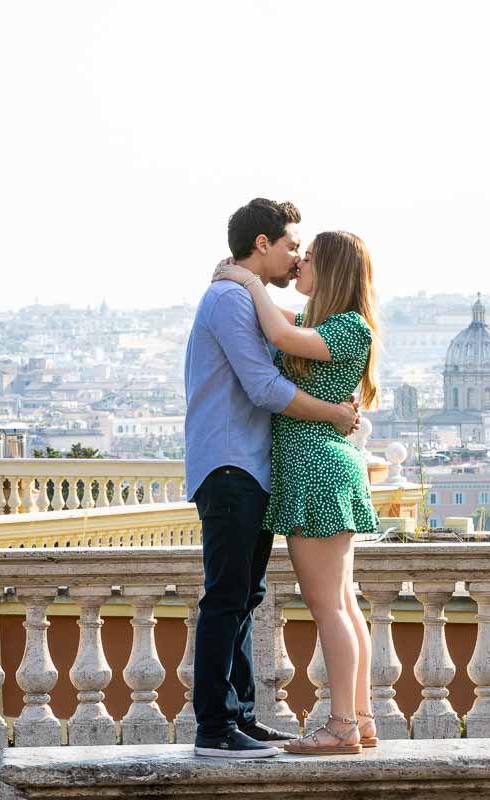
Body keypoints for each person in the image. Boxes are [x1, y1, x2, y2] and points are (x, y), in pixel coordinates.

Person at [185, 199, 361, 759]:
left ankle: (240, 717)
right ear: (262, 244)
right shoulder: (229, 298)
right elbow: (264, 387)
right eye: (290, 247)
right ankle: (215, 727)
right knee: (227, 596)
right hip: (231, 465)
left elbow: (291, 338)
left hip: (254, 467)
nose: (294, 260)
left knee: (244, 594)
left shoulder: (251, 299)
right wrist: (334, 414)